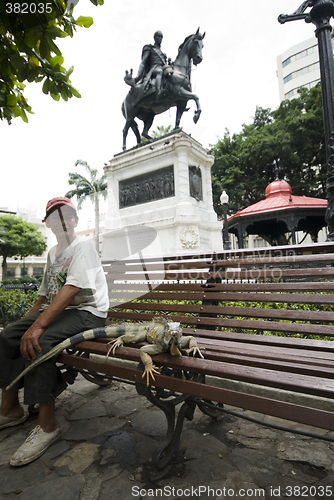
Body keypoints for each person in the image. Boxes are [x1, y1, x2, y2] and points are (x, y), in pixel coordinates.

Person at [0, 197, 109, 466]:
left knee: (41, 341)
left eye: (67, 216)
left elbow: (71, 289)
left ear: (75, 221)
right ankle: (10, 408)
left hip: (89, 314)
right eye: (54, 217)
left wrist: (36, 328)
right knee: (8, 336)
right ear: (47, 224)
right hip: (62, 312)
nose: (61, 221)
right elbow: (44, 296)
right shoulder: (52, 253)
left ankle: (48, 424)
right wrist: (23, 326)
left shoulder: (82, 247)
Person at [134, 30, 168, 98]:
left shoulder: (162, 53)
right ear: (155, 37)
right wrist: (138, 76)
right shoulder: (149, 48)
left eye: (161, 37)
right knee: (159, 72)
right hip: (154, 69)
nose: (160, 39)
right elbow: (144, 62)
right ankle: (158, 92)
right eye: (159, 36)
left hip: (162, 68)